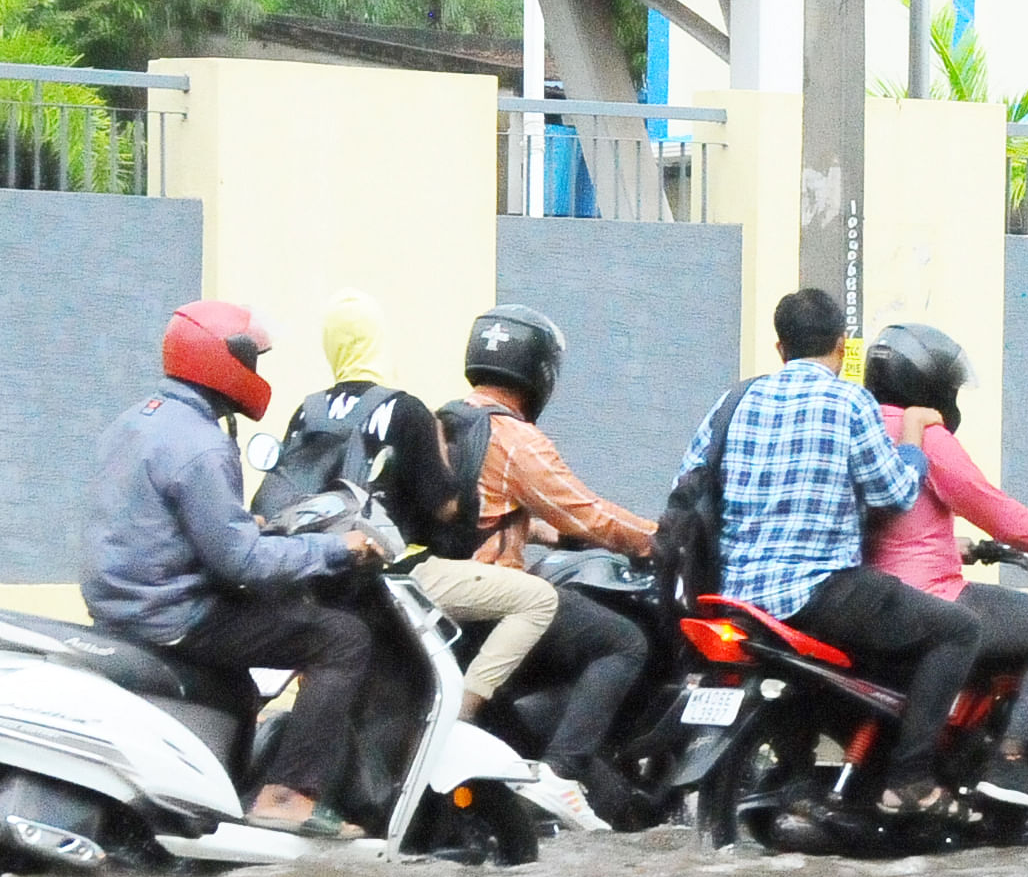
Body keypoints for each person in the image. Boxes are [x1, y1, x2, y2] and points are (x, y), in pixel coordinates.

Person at [82, 300, 386, 837]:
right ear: (224, 361)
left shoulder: (136, 421)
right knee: (342, 637)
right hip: (171, 613)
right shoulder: (201, 444)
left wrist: (255, 529)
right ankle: (288, 795)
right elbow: (242, 562)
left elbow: (181, 529)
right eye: (253, 361)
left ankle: (220, 791)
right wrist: (338, 550)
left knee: (250, 665)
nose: (257, 374)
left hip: (124, 603)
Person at [686, 290, 979, 813]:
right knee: (958, 629)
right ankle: (910, 778)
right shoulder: (850, 402)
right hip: (818, 595)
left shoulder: (734, 400)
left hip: (733, 600)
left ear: (780, 347)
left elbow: (688, 485)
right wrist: (912, 437)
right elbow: (893, 492)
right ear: (843, 348)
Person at [861, 323, 1028, 811]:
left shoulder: (860, 425)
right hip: (930, 597)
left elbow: (897, 518)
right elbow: (997, 513)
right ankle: (1012, 756)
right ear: (927, 383)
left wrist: (952, 542)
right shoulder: (924, 432)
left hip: (868, 597)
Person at [290, 291, 560, 725]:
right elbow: (446, 507)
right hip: (394, 575)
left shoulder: (308, 411)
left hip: (325, 577)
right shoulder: (405, 409)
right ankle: (460, 716)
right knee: (539, 599)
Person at [455, 303, 657, 816]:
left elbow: (482, 509)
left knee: (507, 725)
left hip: (444, 599)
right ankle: (562, 772)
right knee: (623, 642)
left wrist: (544, 534)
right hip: (493, 603)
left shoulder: (447, 421)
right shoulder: (515, 437)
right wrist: (653, 538)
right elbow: (585, 513)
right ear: (540, 371)